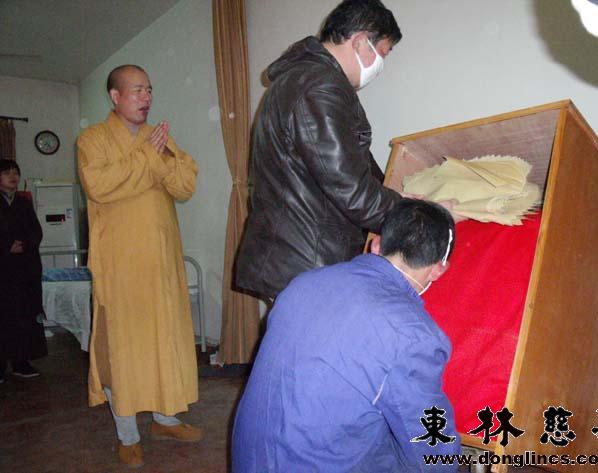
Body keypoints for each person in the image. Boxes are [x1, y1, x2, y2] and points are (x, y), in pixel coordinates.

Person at [232, 199, 461, 472]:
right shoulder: (413, 335)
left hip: (252, 460)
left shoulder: (302, 283)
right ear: (438, 268)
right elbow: (431, 448)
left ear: (376, 244)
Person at [236, 0, 407, 299]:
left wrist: (400, 196)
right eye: (382, 53)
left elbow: (353, 169)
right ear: (359, 41)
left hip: (294, 256)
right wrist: (412, 214)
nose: (381, 66)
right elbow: (352, 191)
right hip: (307, 261)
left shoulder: (304, 80)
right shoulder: (320, 86)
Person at [77, 65, 200, 467]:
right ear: (115, 96)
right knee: (125, 349)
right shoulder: (92, 139)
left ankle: (165, 419)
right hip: (121, 265)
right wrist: (149, 159)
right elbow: (101, 185)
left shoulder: (158, 137)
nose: (146, 97)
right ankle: (127, 435)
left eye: (149, 90)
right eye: (136, 90)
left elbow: (185, 185)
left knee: (165, 340)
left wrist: (159, 161)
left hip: (162, 263)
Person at [0, 159, 47, 383]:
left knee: (24, 315)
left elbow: (36, 231)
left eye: (16, 172)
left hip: (24, 269)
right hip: (3, 270)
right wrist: (6, 246)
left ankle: (22, 362)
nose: (13, 176)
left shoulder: (24, 202)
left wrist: (25, 244)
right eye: (7, 172)